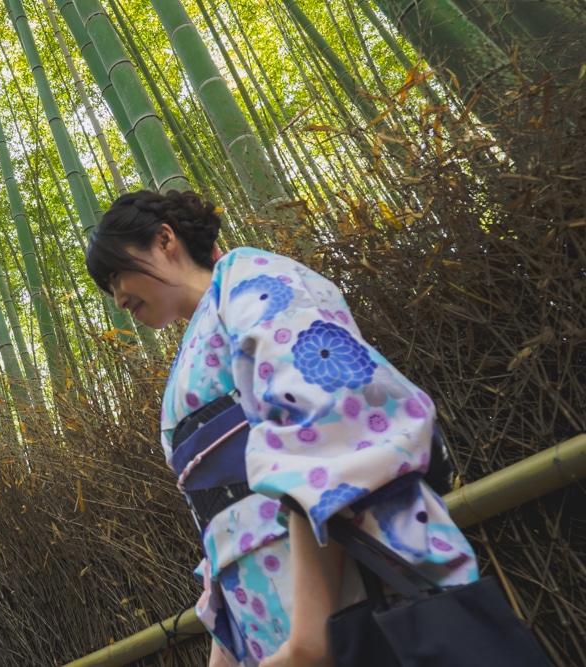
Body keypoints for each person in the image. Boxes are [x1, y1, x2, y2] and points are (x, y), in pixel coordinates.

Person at [85, 189, 479, 667]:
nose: (116, 294)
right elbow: (221, 522)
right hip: (268, 615)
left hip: (337, 597)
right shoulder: (197, 340)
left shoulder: (250, 276)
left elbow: (325, 426)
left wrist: (310, 639)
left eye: (115, 272)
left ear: (164, 239)